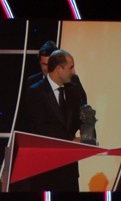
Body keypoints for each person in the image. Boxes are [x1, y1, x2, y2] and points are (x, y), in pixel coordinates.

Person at [16, 49, 85, 191]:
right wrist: (70, 142)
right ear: (59, 69)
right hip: (46, 170)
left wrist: (87, 134)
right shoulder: (35, 92)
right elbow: (41, 128)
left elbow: (80, 116)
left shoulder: (73, 90)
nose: (73, 72)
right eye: (70, 67)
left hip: (69, 170)